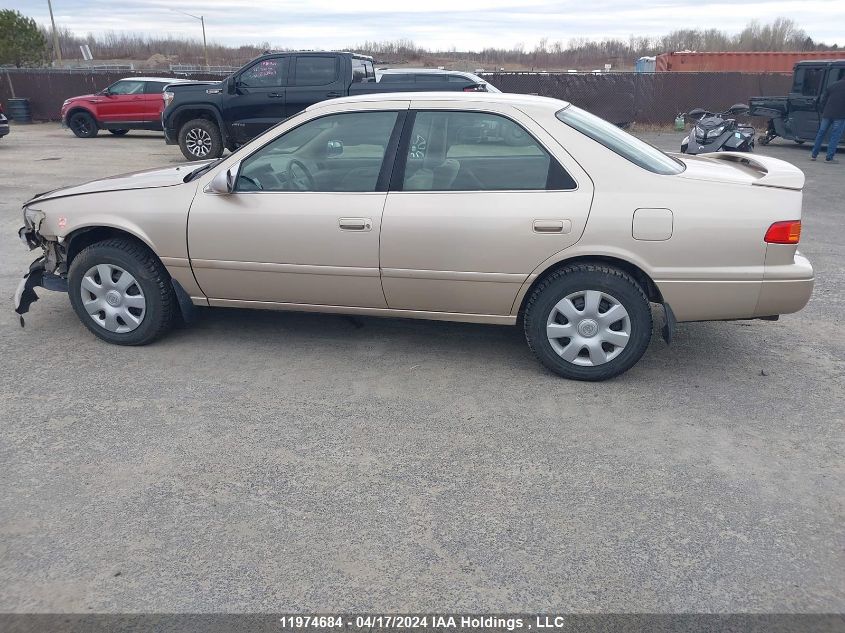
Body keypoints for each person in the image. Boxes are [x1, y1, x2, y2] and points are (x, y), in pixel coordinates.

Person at [810, 76, 845, 164]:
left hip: (827, 113)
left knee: (821, 133)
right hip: (840, 115)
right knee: (835, 136)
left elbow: (823, 99)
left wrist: (823, 111)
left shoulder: (832, 85)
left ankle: (813, 155)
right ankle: (829, 158)